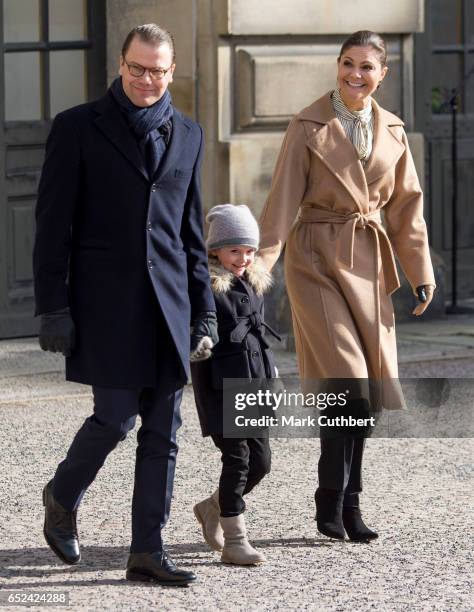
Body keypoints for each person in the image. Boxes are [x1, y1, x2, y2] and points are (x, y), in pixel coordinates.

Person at [33, 23, 218, 586]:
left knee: (164, 428)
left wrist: (204, 310)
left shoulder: (189, 132)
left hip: (170, 308)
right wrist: (53, 308)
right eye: (137, 68)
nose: (147, 79)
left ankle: (147, 551)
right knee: (115, 417)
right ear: (121, 64)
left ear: (172, 68)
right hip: (104, 306)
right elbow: (51, 225)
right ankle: (62, 495)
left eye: (158, 70)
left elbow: (190, 234)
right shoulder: (77, 128)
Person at [258, 31, 436, 542]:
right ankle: (328, 499)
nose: (354, 75)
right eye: (346, 64)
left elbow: (407, 208)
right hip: (315, 258)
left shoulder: (394, 130)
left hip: (369, 260)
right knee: (347, 382)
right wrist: (254, 271)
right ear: (337, 66)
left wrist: (420, 272)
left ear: (384, 74)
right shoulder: (308, 124)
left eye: (366, 67)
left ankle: (350, 504)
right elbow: (281, 203)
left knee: (370, 394)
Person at [191, 204, 280, 565]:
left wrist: (272, 376)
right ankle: (235, 539)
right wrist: (199, 341)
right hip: (222, 386)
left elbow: (258, 339)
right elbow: (200, 323)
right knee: (238, 458)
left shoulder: (253, 282)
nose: (243, 258)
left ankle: (213, 505)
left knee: (262, 462)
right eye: (234, 250)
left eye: (249, 250)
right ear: (216, 250)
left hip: (254, 386)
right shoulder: (205, 286)